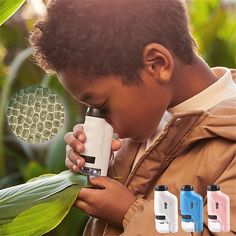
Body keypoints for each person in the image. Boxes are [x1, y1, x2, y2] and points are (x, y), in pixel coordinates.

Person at [29, 0, 236, 235]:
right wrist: (99, 167)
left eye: (101, 106)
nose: (99, 120)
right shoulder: (147, 116)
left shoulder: (229, 140)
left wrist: (128, 212)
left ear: (157, 64)